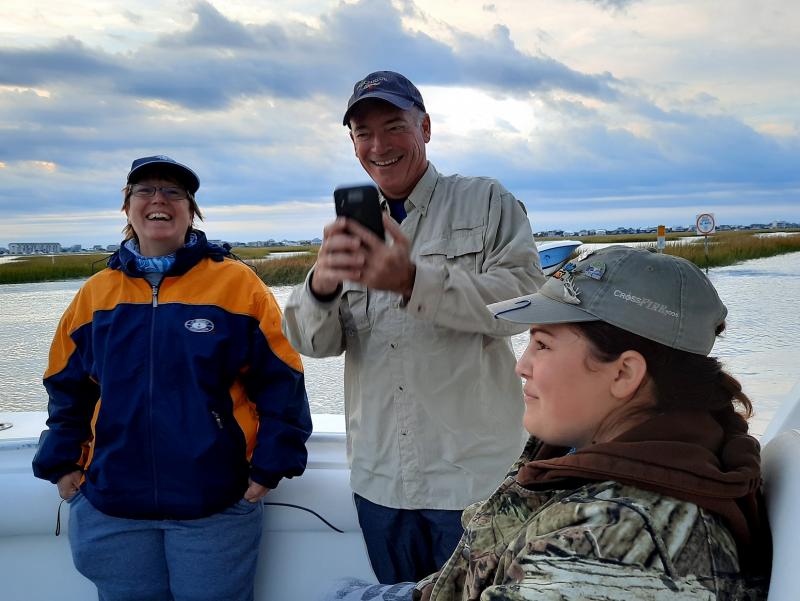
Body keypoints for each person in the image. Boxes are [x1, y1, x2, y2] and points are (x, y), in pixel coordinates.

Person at [323, 245, 771, 601]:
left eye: (543, 344)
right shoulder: (598, 447)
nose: (522, 365)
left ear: (624, 373)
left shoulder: (615, 551)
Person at [282, 70, 545, 583]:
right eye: (362, 133)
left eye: (393, 125)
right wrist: (321, 287)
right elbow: (311, 343)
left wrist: (411, 280)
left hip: (474, 480)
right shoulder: (351, 228)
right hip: (381, 484)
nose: (378, 145)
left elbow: (525, 300)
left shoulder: (486, 201)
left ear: (425, 127)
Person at [32, 155, 312, 601]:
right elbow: (66, 388)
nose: (158, 200)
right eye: (145, 190)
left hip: (215, 505)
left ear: (190, 209)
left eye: (173, 192)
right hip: (112, 508)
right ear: (127, 206)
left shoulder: (238, 285)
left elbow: (282, 383)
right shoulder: (95, 294)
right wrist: (63, 466)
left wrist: (269, 469)